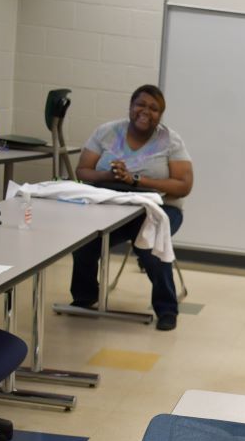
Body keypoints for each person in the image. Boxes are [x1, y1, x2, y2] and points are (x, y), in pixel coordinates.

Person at [70, 84, 193, 331]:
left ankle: (167, 309)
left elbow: (184, 185)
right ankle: (85, 297)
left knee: (151, 247)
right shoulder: (107, 132)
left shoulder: (170, 140)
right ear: (130, 106)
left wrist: (136, 180)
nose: (145, 111)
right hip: (113, 205)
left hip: (159, 209)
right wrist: (109, 175)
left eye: (154, 108)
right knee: (84, 242)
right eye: (140, 105)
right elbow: (82, 171)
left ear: (160, 115)